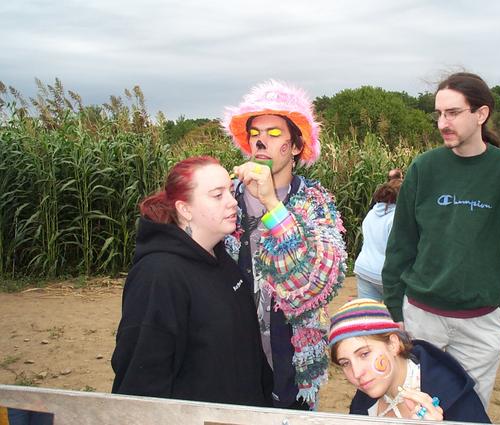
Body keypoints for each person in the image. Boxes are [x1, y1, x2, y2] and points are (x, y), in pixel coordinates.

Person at [382, 72, 500, 409]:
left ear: (481, 114)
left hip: (482, 322)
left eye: (453, 113)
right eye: (439, 114)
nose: (443, 123)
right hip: (422, 317)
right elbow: (401, 244)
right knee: (414, 407)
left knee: (470, 410)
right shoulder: (425, 168)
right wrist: (396, 306)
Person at [222, 80, 347, 409]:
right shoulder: (225, 198)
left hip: (292, 361)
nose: (261, 140)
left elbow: (314, 281)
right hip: (233, 354)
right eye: (255, 133)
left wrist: (272, 205)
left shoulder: (315, 203)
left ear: (295, 147)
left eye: (275, 133)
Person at [111, 156, 272, 407]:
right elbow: (141, 381)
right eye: (217, 195)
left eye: (230, 191)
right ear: (185, 209)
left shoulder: (221, 259)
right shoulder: (158, 275)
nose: (232, 202)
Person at [329, 299, 491, 423]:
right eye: (345, 363)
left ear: (393, 344)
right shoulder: (366, 395)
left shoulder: (453, 396)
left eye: (364, 354)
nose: (357, 373)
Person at [355, 179, 402, 301]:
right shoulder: (398, 217)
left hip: (364, 269)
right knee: (396, 312)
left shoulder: (371, 213)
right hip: (386, 275)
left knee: (368, 311)